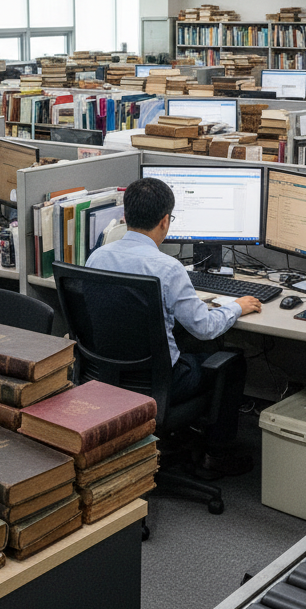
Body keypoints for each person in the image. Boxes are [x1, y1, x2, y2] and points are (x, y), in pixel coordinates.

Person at [86, 177, 257, 477]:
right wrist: (236, 306)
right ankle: (216, 456)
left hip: (107, 376)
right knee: (232, 361)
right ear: (165, 221)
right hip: (162, 383)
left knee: (184, 340)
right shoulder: (167, 268)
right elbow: (205, 327)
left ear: (125, 217)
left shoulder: (97, 257)